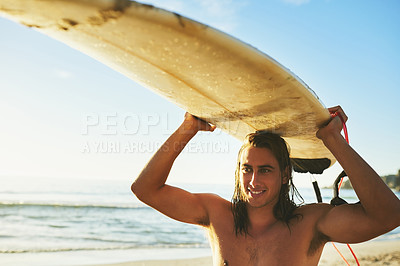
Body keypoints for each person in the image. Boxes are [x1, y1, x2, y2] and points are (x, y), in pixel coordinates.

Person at [131, 106, 400, 265]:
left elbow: (389, 215)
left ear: (285, 175)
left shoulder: (311, 222)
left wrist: (332, 139)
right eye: (247, 169)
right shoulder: (216, 213)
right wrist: (188, 127)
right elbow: (145, 189)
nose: (254, 181)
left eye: (265, 170)